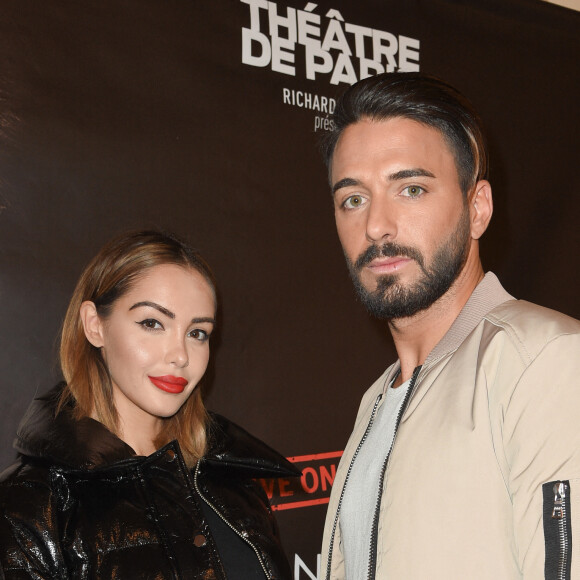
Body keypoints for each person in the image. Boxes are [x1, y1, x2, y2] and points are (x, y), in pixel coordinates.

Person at [319, 73, 580, 579]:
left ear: (477, 208)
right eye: (353, 199)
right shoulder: (376, 401)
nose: (376, 225)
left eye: (410, 189)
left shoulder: (543, 362)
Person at [0, 229, 298, 579]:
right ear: (95, 326)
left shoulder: (231, 482)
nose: (180, 356)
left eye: (197, 333)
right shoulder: (28, 508)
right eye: (152, 323)